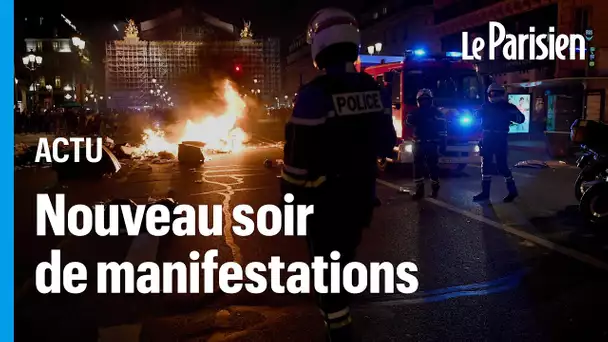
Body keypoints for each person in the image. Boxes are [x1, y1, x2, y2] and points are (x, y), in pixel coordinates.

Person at [281, 7, 396, 341]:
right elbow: (386, 142)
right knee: (346, 254)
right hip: (361, 196)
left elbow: (296, 162)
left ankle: (340, 327)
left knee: (327, 269)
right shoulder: (372, 88)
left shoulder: (313, 95)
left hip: (324, 202)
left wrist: (289, 203)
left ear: (319, 46)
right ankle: (343, 302)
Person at [473, 83, 525, 202]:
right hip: (487, 137)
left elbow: (521, 119)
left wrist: (511, 115)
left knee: (502, 166)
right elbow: (476, 116)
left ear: (502, 94)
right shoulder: (485, 106)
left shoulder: (507, 107)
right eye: (492, 93)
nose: (494, 95)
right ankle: (485, 193)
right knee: (486, 166)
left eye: (496, 93)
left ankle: (512, 191)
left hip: (500, 137)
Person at [406, 89, 447, 200]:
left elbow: (442, 130)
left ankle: (428, 190)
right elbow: (409, 122)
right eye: (422, 100)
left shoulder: (419, 113)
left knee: (426, 167)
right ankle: (427, 189)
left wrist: (443, 144)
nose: (424, 102)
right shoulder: (436, 113)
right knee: (425, 167)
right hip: (424, 143)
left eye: (425, 100)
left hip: (426, 143)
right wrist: (443, 145)